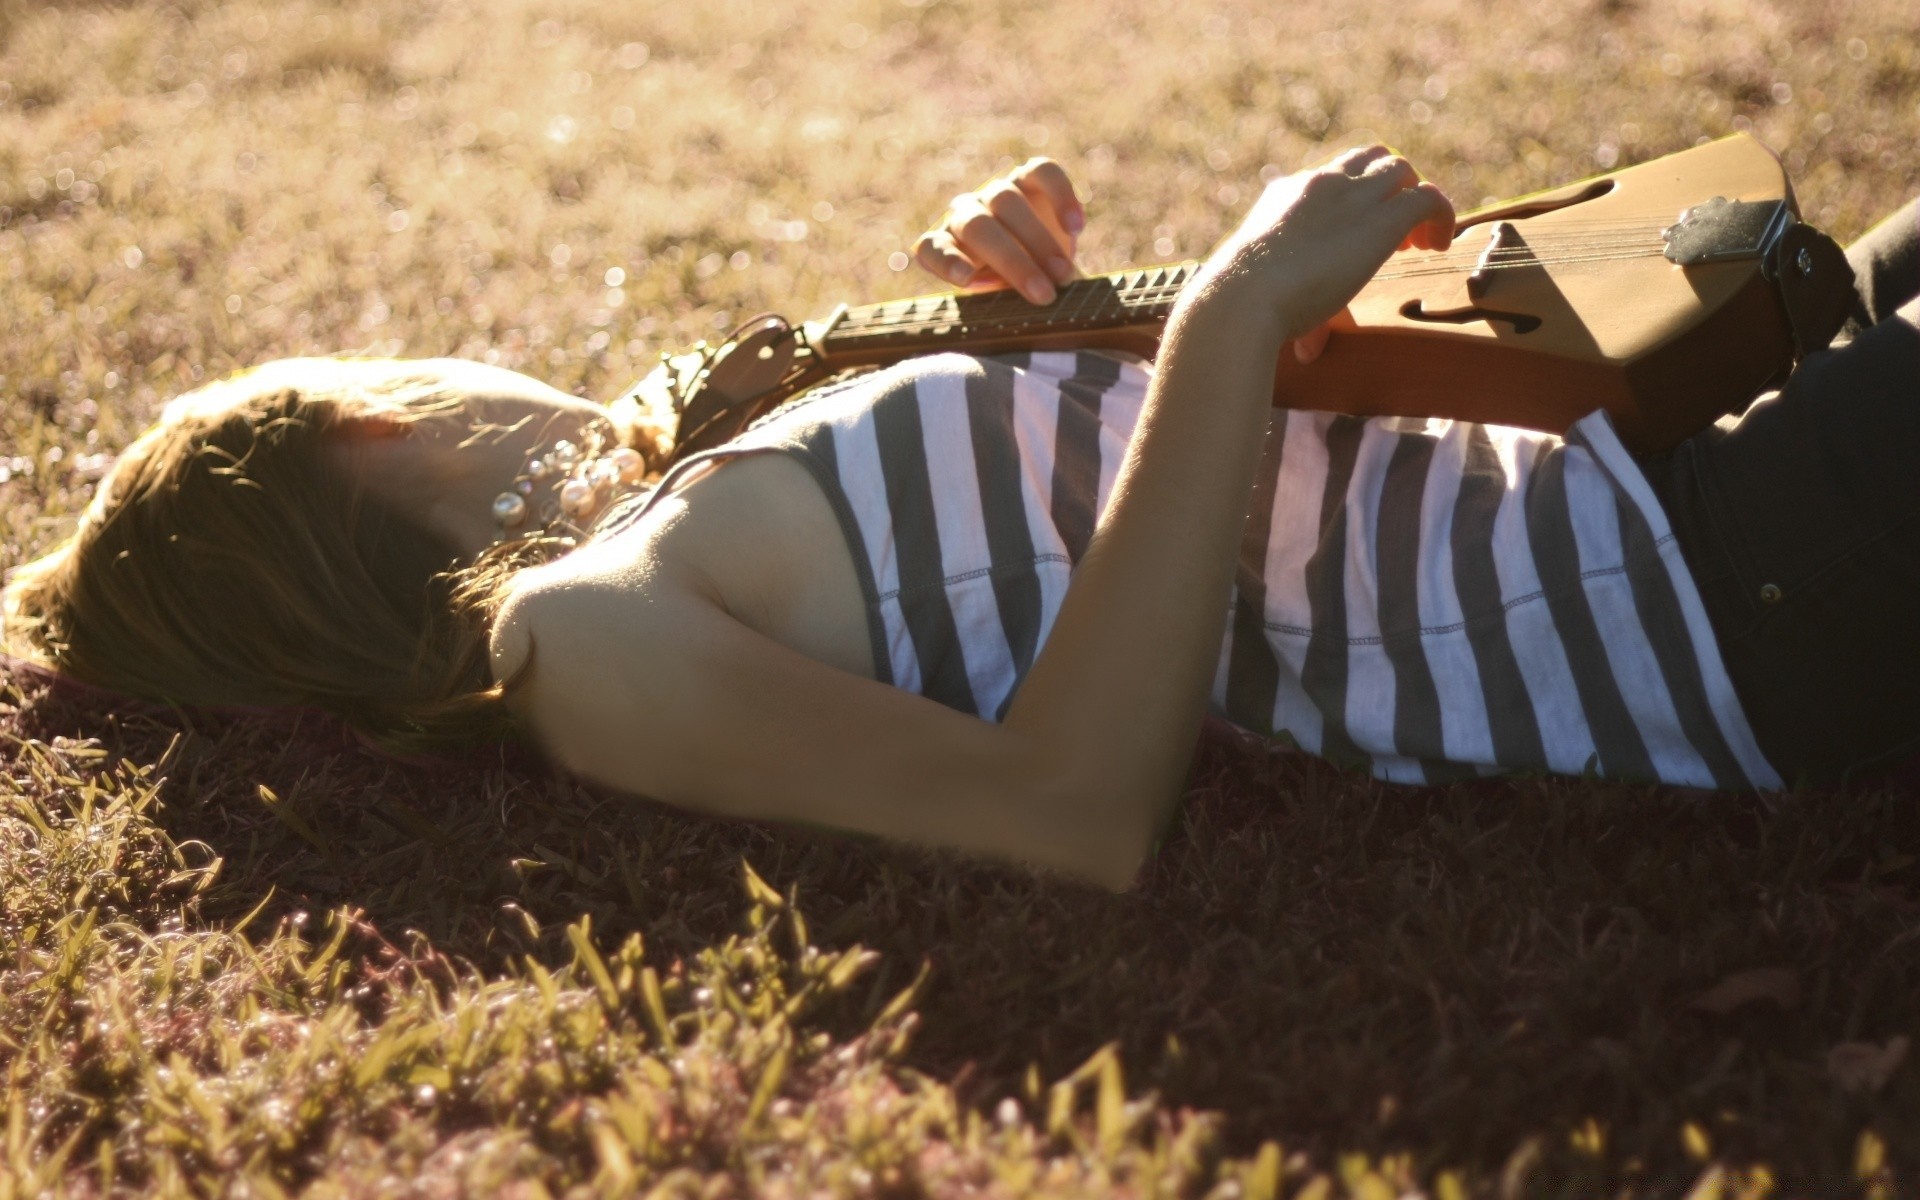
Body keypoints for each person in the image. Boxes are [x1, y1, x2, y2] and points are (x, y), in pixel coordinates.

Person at [3, 149, 1915, 890]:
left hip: (1637, 471)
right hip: (1693, 599)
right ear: (359, 427)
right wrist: (1235, 314)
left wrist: (1046, 332)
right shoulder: (578, 640)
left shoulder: (694, 491)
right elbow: (1072, 810)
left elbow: (1108, 534)